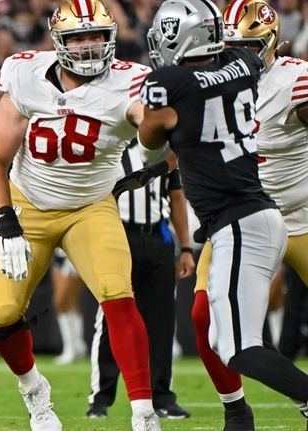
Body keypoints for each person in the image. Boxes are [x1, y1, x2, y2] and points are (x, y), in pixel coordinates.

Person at [0, 1, 161, 429]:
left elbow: (154, 131)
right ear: (59, 41)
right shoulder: (25, 76)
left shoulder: (131, 83)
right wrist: (6, 222)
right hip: (27, 205)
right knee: (1, 315)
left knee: (118, 293)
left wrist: (153, 142)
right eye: (78, 37)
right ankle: (34, 392)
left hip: (91, 206)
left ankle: (144, 414)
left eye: (96, 35)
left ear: (110, 36)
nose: (88, 45)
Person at [138, 1, 308, 430]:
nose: (237, 53)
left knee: (239, 345)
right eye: (230, 45)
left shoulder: (291, 80)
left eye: (247, 46)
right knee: (207, 321)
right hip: (246, 213)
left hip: (294, 214)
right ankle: (236, 411)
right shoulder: (227, 74)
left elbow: (156, 135)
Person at [88, 146, 194, 419]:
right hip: (119, 235)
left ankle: (162, 396)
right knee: (111, 315)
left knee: (162, 320)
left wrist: (185, 246)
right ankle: (101, 397)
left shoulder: (163, 149)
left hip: (158, 236)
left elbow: (176, 196)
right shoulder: (112, 145)